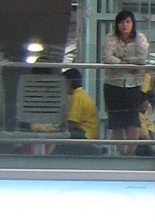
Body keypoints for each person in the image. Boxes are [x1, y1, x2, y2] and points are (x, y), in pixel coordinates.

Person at [101, 10, 149, 147]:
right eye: (121, 22)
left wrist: (122, 61)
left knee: (133, 120)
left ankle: (131, 153)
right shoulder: (111, 37)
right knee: (116, 122)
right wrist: (127, 64)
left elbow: (142, 58)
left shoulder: (140, 38)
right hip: (113, 84)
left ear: (133, 24)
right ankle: (122, 153)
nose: (125, 25)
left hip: (133, 84)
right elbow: (106, 57)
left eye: (128, 22)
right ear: (117, 24)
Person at [63, 68, 99, 140]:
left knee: (58, 136)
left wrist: (56, 128)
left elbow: (72, 122)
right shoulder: (81, 94)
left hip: (85, 133)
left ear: (68, 82)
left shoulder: (77, 96)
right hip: (90, 132)